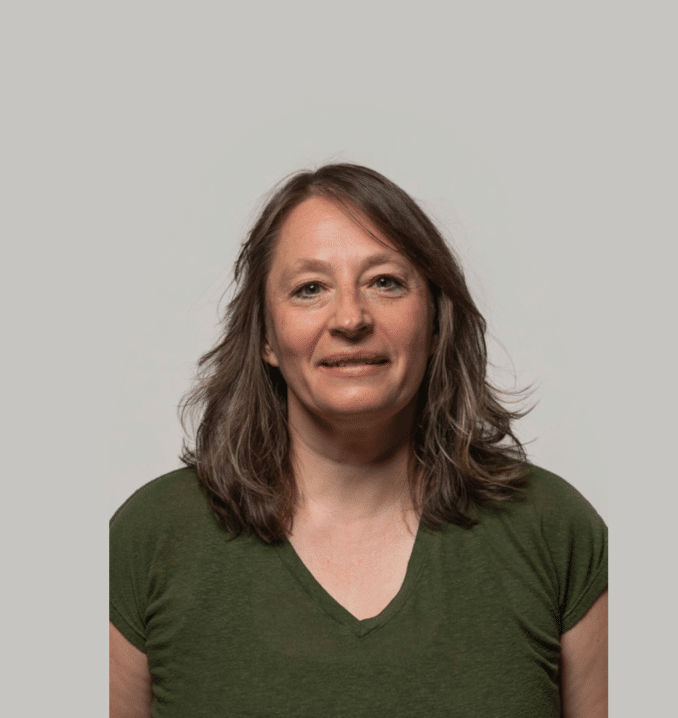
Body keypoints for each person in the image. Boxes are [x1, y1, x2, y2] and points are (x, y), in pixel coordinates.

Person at [110, 164, 608, 717]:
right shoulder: (150, 538)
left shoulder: (553, 529)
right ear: (266, 337)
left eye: (385, 282)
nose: (350, 318)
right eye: (310, 289)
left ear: (435, 322)